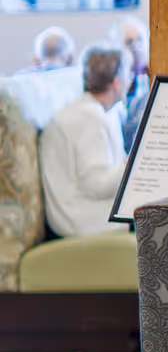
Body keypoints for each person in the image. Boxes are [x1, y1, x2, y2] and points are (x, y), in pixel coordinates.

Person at [39, 42, 132, 239]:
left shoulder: (102, 112)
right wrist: (136, 168)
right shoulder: (88, 117)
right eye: (128, 74)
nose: (130, 80)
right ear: (116, 82)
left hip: (84, 209)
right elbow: (95, 184)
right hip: (79, 218)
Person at [107, 16, 151, 147]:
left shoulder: (152, 76)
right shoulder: (109, 82)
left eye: (140, 40)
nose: (137, 47)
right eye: (129, 42)